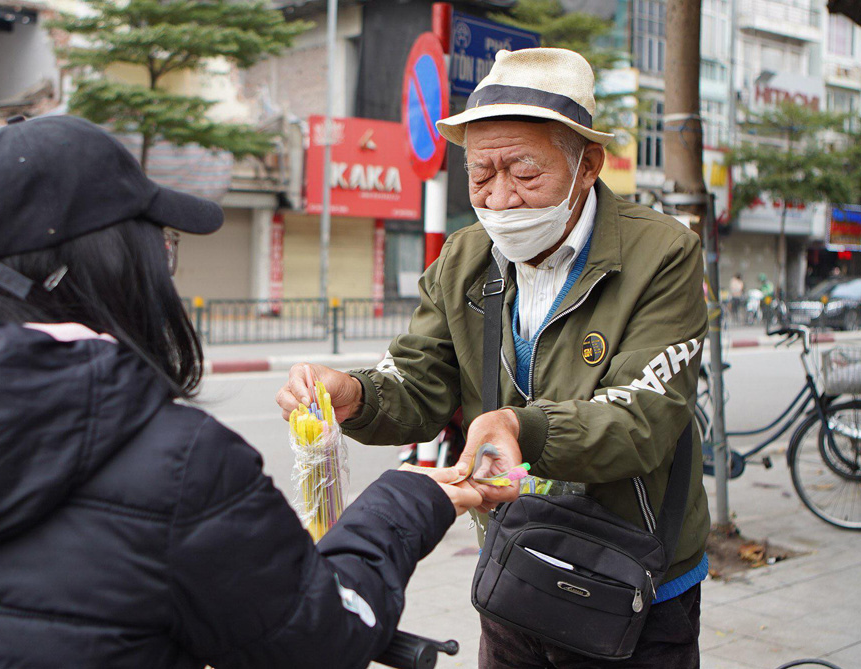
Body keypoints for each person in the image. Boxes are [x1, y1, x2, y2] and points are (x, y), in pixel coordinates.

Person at [0, 115, 483, 668]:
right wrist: (408, 500)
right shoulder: (182, 465)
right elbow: (321, 637)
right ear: (114, 262)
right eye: (158, 245)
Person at [277, 48, 709, 668]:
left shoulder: (662, 254)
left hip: (635, 574)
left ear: (588, 164)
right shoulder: (464, 259)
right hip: (514, 566)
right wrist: (356, 393)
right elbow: (420, 380)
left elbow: (642, 417)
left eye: (525, 173)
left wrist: (518, 427)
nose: (501, 198)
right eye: (482, 174)